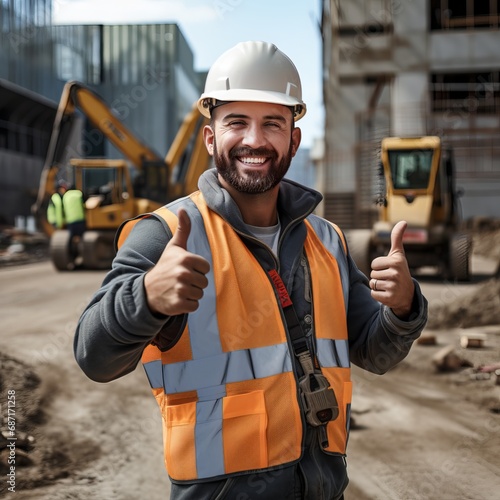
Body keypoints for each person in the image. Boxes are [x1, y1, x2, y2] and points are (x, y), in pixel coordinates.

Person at [74, 41, 428, 500]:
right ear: (209, 138)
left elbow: (375, 353)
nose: (254, 140)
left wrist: (403, 307)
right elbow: (93, 357)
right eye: (236, 122)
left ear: (293, 140)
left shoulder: (327, 241)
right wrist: (146, 297)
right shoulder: (165, 235)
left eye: (272, 124)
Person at [62, 186, 86, 258]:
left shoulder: (65, 196)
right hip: (80, 219)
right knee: (81, 237)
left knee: (72, 238)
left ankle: (72, 255)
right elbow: (84, 204)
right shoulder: (79, 193)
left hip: (70, 220)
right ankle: (82, 255)